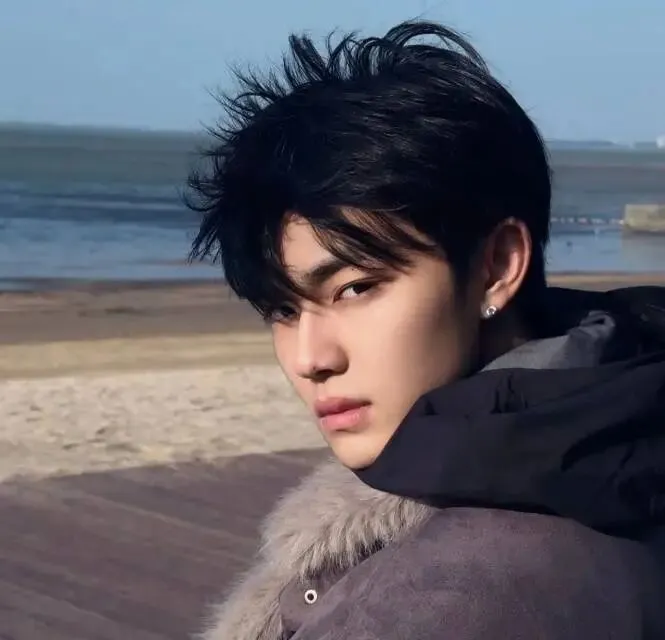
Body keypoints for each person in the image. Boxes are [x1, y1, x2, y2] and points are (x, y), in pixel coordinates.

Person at [186, 20, 665, 640]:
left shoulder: (443, 600)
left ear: (497, 267)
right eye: (282, 309)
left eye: (355, 288)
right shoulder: (625, 421)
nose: (309, 358)